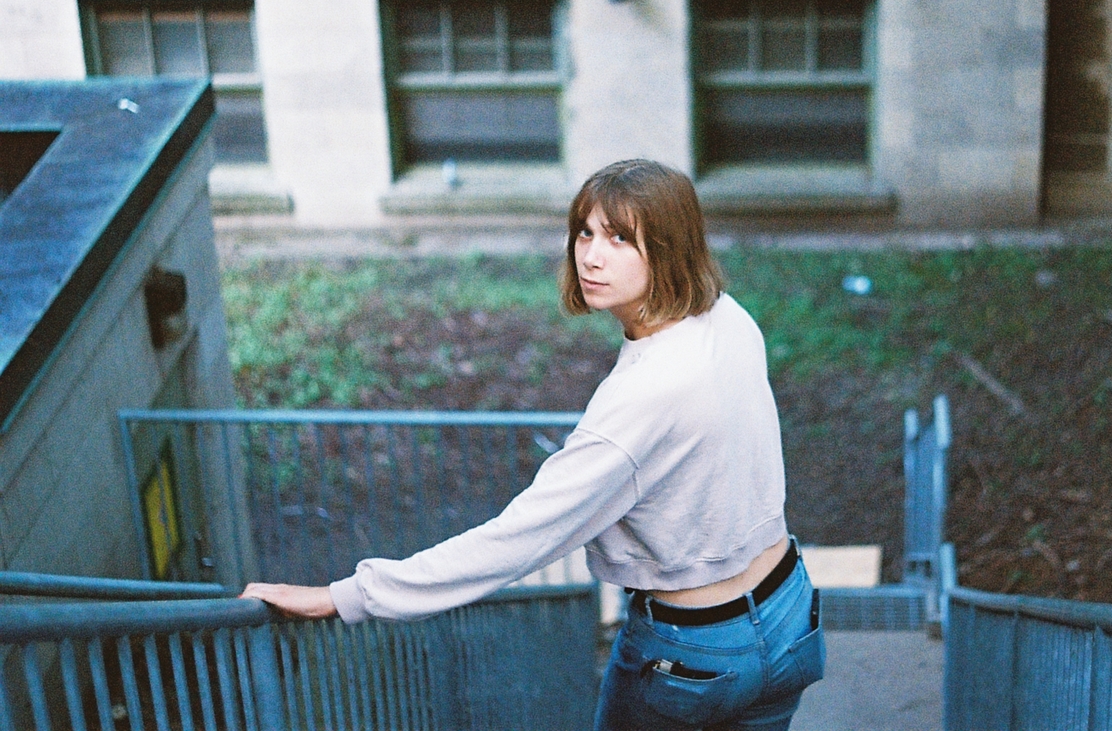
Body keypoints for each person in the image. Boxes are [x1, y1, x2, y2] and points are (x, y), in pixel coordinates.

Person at [242, 158, 826, 731]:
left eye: (621, 239)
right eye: (585, 232)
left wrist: (347, 596)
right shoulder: (729, 318)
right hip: (788, 613)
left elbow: (519, 540)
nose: (591, 256)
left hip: (695, 653)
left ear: (670, 249)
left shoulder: (639, 402)